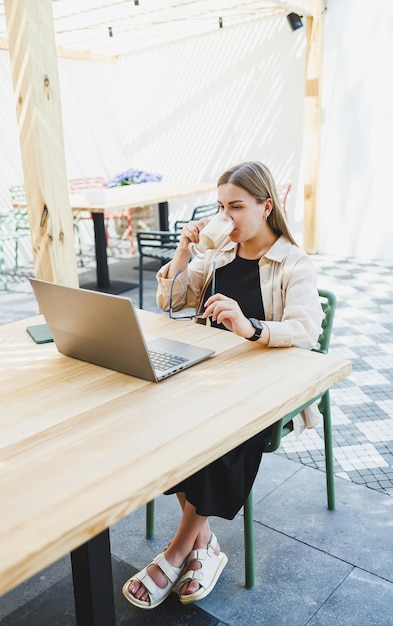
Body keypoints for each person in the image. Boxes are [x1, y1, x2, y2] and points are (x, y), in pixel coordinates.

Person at [122, 161, 324, 610]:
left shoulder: (293, 262)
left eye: (236, 206)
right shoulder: (217, 256)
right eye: (220, 207)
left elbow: (307, 330)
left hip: (263, 388)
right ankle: (205, 542)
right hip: (208, 374)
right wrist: (182, 250)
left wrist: (251, 326)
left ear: (265, 206)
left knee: (220, 436)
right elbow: (171, 301)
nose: (226, 217)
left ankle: (176, 553)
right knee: (159, 416)